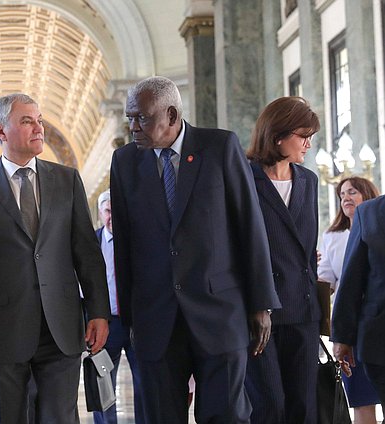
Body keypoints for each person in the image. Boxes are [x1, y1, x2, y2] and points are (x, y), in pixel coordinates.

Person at [110, 76, 280, 424]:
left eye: (141, 117)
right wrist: (130, 318)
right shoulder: (124, 162)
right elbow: (124, 246)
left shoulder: (219, 148)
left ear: (171, 115)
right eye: (129, 118)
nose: (133, 127)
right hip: (156, 320)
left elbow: (249, 225)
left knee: (227, 416)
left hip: (220, 313)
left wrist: (261, 302)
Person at [0, 93, 110, 424]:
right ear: (1, 131)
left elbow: (87, 254)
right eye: (27, 121)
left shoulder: (67, 180)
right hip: (0, 332)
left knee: (61, 419)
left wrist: (98, 311)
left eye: (40, 120)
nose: (39, 128)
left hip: (61, 328)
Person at [244, 96, 321, 424]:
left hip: (303, 312)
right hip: (259, 313)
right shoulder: (244, 177)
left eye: (310, 137)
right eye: (303, 135)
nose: (308, 144)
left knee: (304, 407)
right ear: (277, 136)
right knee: (269, 407)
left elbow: (307, 246)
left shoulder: (309, 181)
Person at [318, 177, 381, 423]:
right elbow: (330, 282)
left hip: (374, 323)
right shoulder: (333, 236)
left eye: (352, 192)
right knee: (362, 401)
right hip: (357, 328)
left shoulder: (377, 221)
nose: (345, 197)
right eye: (341, 194)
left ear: (367, 194)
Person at [93, 189, 144, 424]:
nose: (112, 216)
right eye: (107, 211)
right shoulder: (91, 242)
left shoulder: (137, 242)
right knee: (103, 385)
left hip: (136, 323)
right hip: (106, 324)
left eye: (116, 211)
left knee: (144, 383)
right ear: (100, 213)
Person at [332, 194, 385, 406]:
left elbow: (351, 280)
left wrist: (343, 337)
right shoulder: (368, 213)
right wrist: (342, 336)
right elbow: (351, 278)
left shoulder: (368, 212)